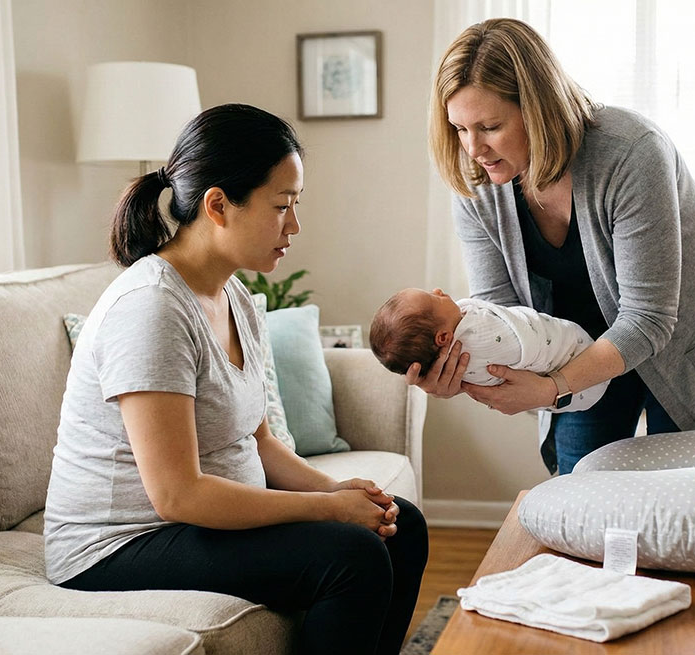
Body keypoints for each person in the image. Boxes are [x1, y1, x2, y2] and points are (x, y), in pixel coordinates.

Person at [43, 104, 427, 655]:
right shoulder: (151, 308)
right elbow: (178, 494)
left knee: (399, 525)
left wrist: (339, 490)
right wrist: (326, 508)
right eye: (281, 206)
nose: (294, 225)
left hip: (181, 525)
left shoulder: (236, 296)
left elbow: (260, 438)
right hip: (118, 543)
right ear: (218, 205)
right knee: (352, 555)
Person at [415, 18, 695, 474]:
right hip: (579, 343)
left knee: (689, 494)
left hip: (684, 333)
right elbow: (499, 313)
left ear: (538, 110)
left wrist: (551, 387)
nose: (474, 148)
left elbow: (648, 319)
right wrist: (465, 372)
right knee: (581, 488)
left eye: (490, 126)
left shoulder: (631, 152)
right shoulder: (479, 184)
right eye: (459, 129)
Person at [369, 287, 608, 411]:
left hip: (604, 357)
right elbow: (522, 340)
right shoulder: (482, 339)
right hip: (579, 354)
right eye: (434, 298)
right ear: (443, 337)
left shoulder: (459, 335)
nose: (439, 291)